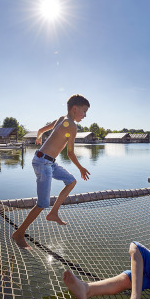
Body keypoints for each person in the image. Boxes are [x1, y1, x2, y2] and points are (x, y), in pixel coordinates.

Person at [12, 94, 90, 249]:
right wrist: (81, 168)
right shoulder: (72, 126)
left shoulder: (61, 118)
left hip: (47, 162)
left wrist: (39, 137)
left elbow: (41, 129)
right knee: (42, 203)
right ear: (75, 109)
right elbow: (70, 153)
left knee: (71, 181)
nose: (85, 115)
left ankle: (53, 213)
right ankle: (19, 234)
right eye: (84, 111)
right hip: (43, 163)